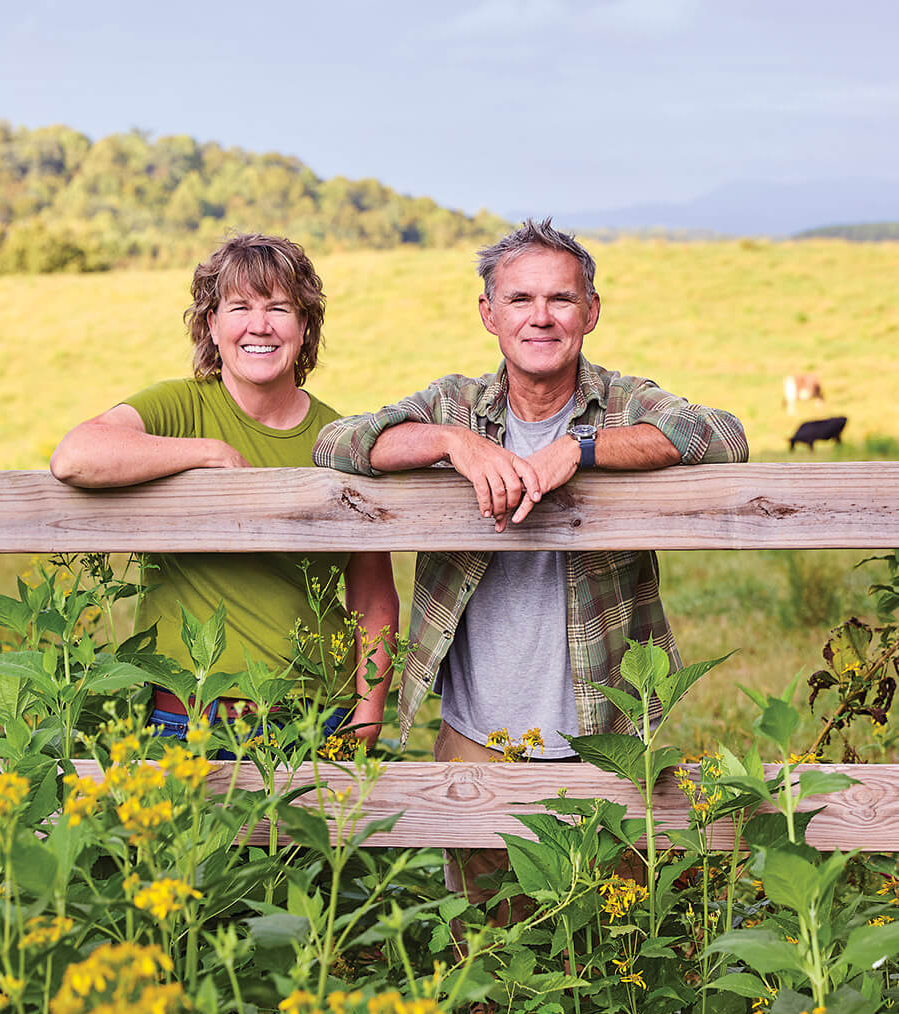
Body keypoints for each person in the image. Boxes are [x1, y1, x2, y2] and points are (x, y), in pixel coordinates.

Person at [313, 218, 748, 905]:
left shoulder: (623, 403)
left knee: (605, 951)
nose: (540, 317)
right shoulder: (456, 405)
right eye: (520, 300)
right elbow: (336, 444)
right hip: (476, 738)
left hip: (604, 741)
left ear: (591, 312)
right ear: (489, 314)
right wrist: (455, 444)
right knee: (488, 961)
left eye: (561, 299)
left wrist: (580, 450)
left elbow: (720, 436)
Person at [51, 233, 398, 747]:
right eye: (240, 307)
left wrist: (367, 719)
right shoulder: (177, 406)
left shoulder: (337, 438)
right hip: (187, 721)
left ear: (305, 326)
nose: (260, 325)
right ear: (212, 325)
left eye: (279, 308)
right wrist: (206, 452)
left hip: (313, 721)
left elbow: (372, 595)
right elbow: (74, 456)